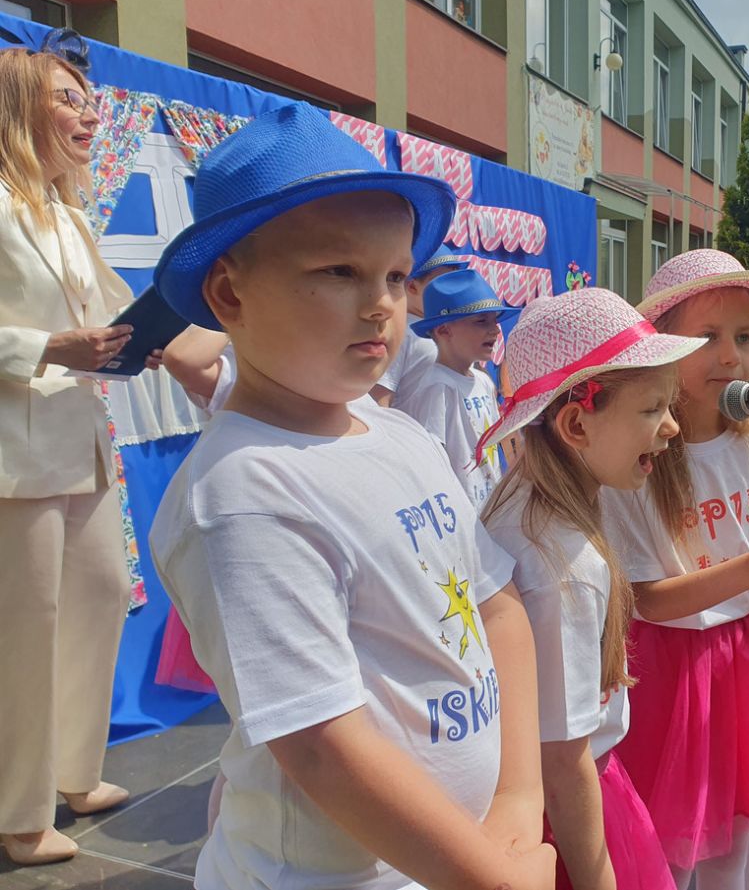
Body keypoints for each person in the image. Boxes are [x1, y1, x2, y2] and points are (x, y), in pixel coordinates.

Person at [148, 103, 555, 890]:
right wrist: (496, 878)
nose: (382, 305)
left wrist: (516, 795)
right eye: (340, 272)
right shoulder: (245, 489)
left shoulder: (400, 433)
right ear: (230, 295)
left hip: (462, 857)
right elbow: (321, 744)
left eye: (397, 276)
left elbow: (497, 605)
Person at [601, 249, 749, 889]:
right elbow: (647, 600)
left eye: (744, 337)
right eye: (706, 338)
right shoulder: (636, 457)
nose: (731, 357)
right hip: (671, 670)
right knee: (666, 852)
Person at [480, 288, 704, 890]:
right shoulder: (566, 566)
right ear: (577, 424)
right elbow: (561, 759)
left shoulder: (528, 506)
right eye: (653, 408)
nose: (672, 427)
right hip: (567, 816)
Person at [0, 45, 162, 866]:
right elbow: (49, 338)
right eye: (70, 98)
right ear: (19, 106)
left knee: (99, 593)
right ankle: (19, 812)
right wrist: (47, 346)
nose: (91, 113)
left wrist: (154, 337)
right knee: (25, 628)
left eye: (90, 100)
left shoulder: (66, 215)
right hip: (14, 454)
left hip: (81, 441)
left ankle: (73, 771)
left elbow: (112, 312)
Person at [407, 267, 515, 508]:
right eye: (481, 321)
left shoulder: (484, 382)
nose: (495, 330)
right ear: (444, 329)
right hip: (460, 513)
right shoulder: (436, 386)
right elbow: (430, 460)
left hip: (489, 510)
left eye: (495, 320)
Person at [373, 249, 466, 409]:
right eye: (443, 283)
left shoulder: (454, 331)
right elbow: (379, 401)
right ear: (412, 287)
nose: (452, 291)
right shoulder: (397, 333)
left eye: (455, 282)